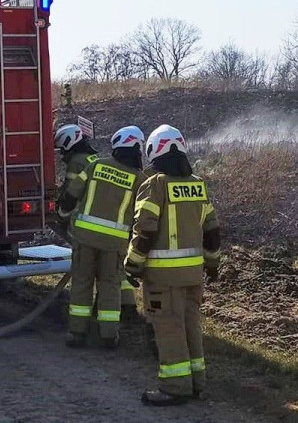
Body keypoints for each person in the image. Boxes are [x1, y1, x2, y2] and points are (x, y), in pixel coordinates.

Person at [124, 125, 221, 406]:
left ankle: (175, 387)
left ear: (155, 151)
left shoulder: (154, 184)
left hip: (163, 278)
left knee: (168, 329)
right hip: (193, 276)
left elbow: (145, 231)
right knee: (191, 326)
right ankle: (196, 383)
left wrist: (132, 265)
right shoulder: (198, 184)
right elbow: (213, 231)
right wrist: (212, 264)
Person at [58, 126, 146, 348]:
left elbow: (71, 195)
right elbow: (143, 215)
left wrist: (63, 216)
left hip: (84, 238)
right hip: (114, 244)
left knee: (81, 283)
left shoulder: (96, 165)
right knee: (110, 285)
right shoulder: (138, 179)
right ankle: (108, 335)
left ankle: (77, 333)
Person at [53, 124, 99, 241]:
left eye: (62, 148)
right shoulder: (92, 158)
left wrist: (60, 213)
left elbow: (71, 191)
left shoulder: (76, 162)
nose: (62, 153)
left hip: (83, 214)